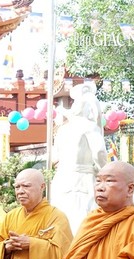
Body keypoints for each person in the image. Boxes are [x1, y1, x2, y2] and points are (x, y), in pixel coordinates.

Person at [50, 82, 107, 235]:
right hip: (83, 178)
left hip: (62, 177)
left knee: (63, 217)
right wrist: (105, 173)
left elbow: (55, 157)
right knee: (83, 218)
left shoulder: (63, 129)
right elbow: (99, 153)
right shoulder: (90, 127)